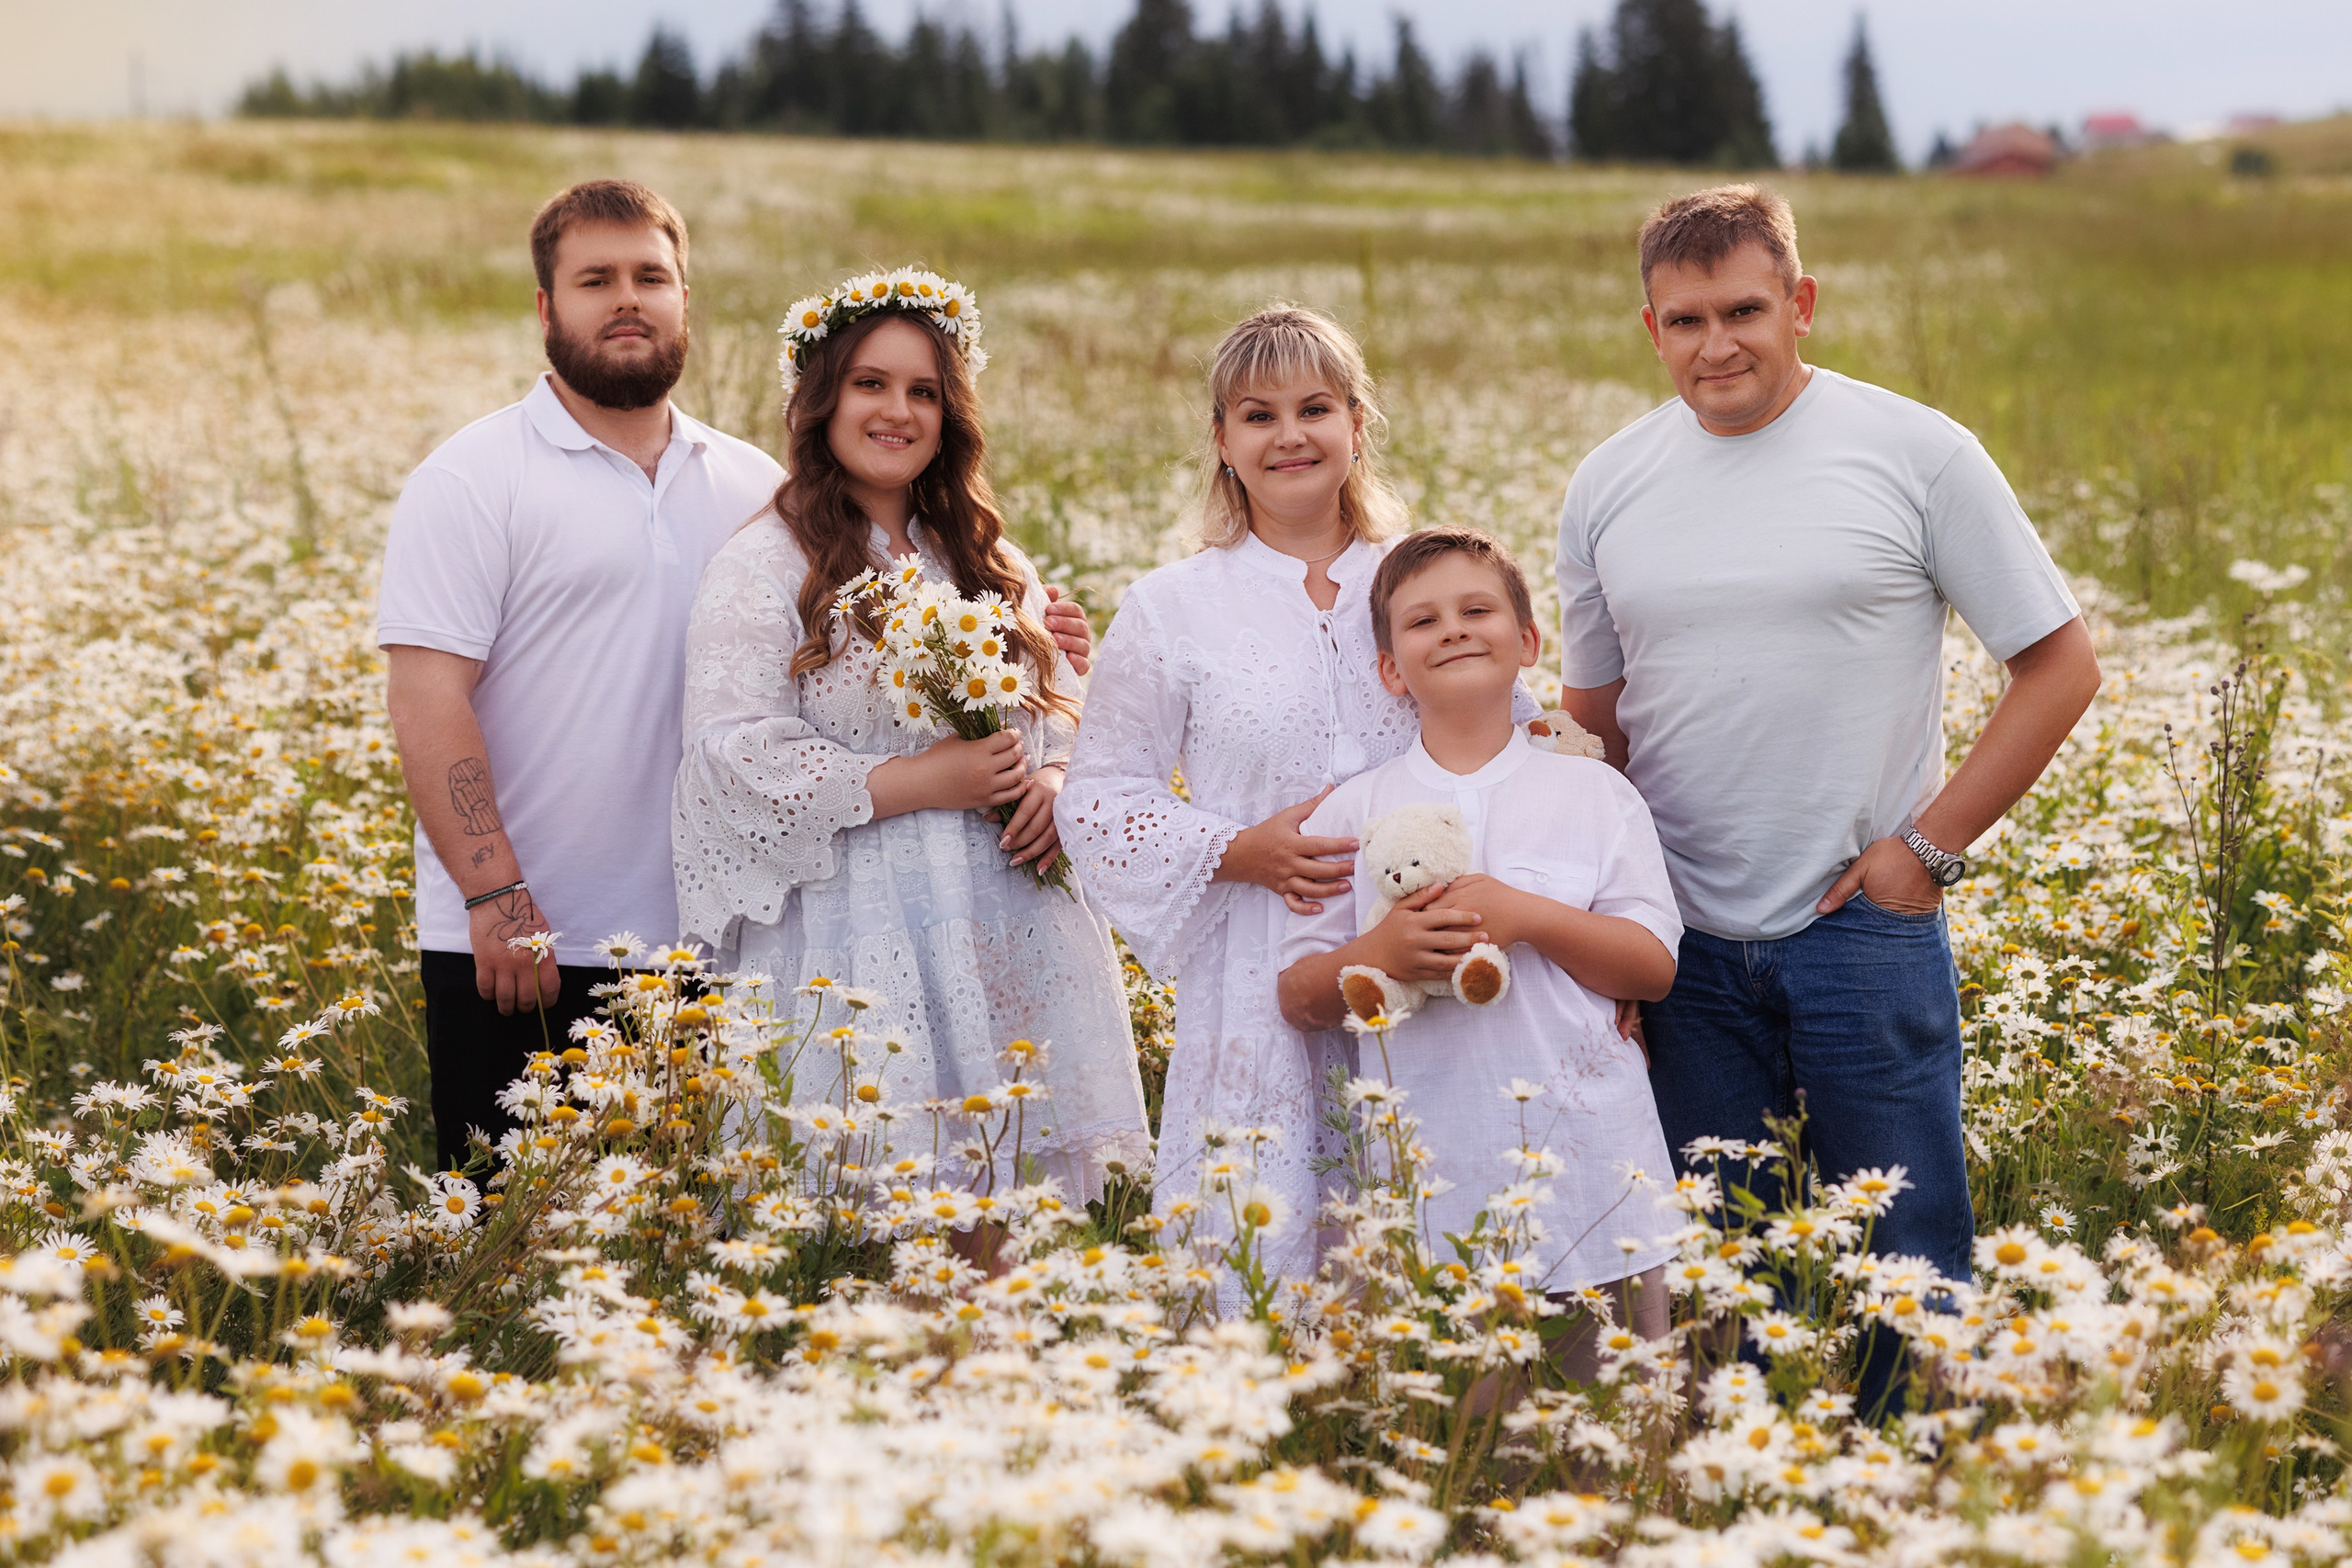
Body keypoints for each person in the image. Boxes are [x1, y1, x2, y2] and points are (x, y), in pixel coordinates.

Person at [379, 185, 1091, 1172]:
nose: (626, 300)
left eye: (650, 278)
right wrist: (495, 894)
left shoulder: (755, 484)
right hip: (530, 939)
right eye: (595, 280)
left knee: (686, 1251)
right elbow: (426, 698)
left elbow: (883, 647)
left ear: (685, 300)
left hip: (724, 941)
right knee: (519, 1249)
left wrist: (1040, 648)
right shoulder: (473, 478)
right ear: (547, 307)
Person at [1553, 186, 2101, 1311]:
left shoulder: (1916, 452)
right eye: (1686, 320)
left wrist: (1923, 853)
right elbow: (1592, 722)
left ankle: (1913, 1472)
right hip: (1681, 941)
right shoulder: (1608, 484)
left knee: (1907, 1264)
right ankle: (1751, 1483)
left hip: (1861, 924)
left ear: (1799, 304)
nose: (1718, 345)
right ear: (1650, 330)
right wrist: (1597, 922)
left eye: (1744, 310)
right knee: (1730, 1275)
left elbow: (2060, 666)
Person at [1057, 305, 1535, 1296]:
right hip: (1255, 964)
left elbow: (1513, 736)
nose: (1289, 436)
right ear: (1223, 444)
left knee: (1427, 1213)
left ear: (1357, 425)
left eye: (1314, 407)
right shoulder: (1172, 604)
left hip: (1431, 948)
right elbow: (1099, 795)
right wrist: (1236, 849)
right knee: (1263, 1237)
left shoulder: (1422, 576)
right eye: (1257, 415)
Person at [671, 268, 1149, 1202]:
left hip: (1003, 928)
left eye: (923, 391)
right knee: (880, 1220)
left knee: (1007, 1217)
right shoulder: (764, 562)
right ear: (820, 402)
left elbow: (1056, 709)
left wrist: (1052, 784)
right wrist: (922, 780)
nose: (898, 411)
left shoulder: (984, 556)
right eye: (871, 384)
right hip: (858, 943)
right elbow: (730, 763)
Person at [1278, 527, 1685, 1349]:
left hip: (1598, 1177)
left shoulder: (1594, 793)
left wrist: (1527, 915)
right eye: (1422, 622)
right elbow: (1297, 994)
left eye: (1477, 609)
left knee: (1619, 1429)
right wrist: (1379, 954)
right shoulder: (1354, 811)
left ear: (1528, 642)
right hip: (1432, 1184)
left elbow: (1653, 964)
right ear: (1390, 669)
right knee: (1467, 1444)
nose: (1455, 629)